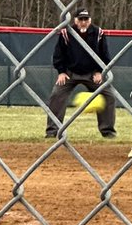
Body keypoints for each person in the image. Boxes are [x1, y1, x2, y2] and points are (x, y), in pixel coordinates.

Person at [47, 9, 115, 139]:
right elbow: (58, 55)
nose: (83, 22)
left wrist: (100, 72)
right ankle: (52, 130)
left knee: (109, 95)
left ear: (90, 20)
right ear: (75, 20)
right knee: (56, 94)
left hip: (92, 73)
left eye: (86, 19)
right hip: (70, 73)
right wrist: (61, 72)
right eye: (80, 19)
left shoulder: (98, 33)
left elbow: (105, 55)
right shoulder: (66, 33)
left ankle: (107, 131)